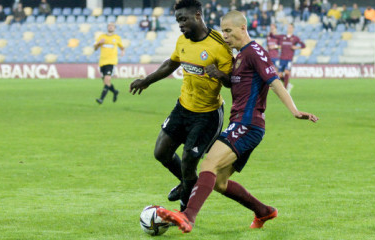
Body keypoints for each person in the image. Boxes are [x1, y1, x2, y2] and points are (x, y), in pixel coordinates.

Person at [156, 10, 319, 233]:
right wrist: (219, 75)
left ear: (243, 28)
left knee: (208, 165)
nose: (224, 36)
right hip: (242, 123)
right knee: (220, 182)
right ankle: (264, 211)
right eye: (222, 31)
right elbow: (235, 84)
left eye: (228, 31)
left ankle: (187, 217)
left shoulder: (254, 52)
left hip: (247, 124)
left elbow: (274, 82)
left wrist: (294, 110)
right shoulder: (239, 56)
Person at [129, 0, 233, 212]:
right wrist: (146, 81)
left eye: (183, 19)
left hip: (207, 114)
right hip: (183, 107)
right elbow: (171, 64)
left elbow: (234, 81)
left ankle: (185, 211)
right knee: (161, 153)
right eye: (178, 20)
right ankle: (188, 183)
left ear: (197, 15)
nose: (180, 24)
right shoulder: (182, 41)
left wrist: (221, 75)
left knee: (188, 162)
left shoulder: (219, 45)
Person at [93, 22, 124, 104]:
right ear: (107, 27)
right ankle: (115, 92)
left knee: (107, 80)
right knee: (106, 82)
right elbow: (95, 48)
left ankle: (101, 99)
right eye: (109, 26)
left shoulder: (117, 37)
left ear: (114, 28)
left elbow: (122, 47)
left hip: (111, 62)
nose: (110, 27)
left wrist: (122, 52)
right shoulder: (102, 37)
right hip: (102, 62)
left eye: (112, 26)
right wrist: (99, 43)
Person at [276, 23, 305, 92]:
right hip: (282, 58)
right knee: (279, 75)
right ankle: (288, 84)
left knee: (287, 72)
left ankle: (285, 89)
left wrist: (297, 47)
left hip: (289, 59)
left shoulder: (295, 38)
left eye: (291, 27)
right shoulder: (283, 37)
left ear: (293, 29)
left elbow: (303, 45)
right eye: (288, 27)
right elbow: (276, 41)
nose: (289, 28)